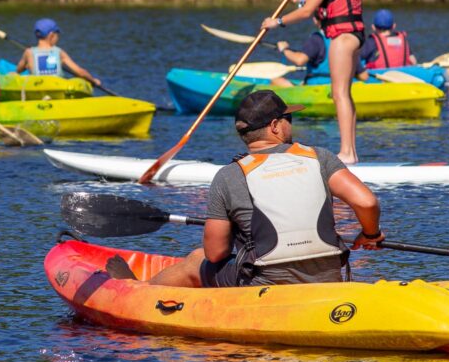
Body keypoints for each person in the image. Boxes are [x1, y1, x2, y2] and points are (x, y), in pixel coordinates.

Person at [107, 90, 384, 288]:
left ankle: (139, 292)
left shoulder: (229, 176)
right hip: (328, 274)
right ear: (275, 126)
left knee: (197, 260)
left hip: (264, 282)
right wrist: (370, 233)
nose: (291, 124)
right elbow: (366, 202)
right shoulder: (320, 157)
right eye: (289, 118)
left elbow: (215, 254)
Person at [262, 0, 364, 163]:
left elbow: (309, 12)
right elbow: (329, 6)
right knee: (346, 94)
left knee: (339, 94)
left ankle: (347, 153)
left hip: (342, 37)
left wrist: (277, 21)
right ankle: (352, 152)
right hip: (357, 35)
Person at [14, 17, 102, 88]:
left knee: (13, 74)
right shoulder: (59, 52)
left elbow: (18, 70)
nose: (58, 38)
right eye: (57, 35)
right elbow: (80, 72)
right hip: (57, 89)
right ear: (51, 35)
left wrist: (27, 65)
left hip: (38, 88)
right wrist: (93, 81)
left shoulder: (28, 53)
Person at [270, 13, 327, 88]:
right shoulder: (340, 38)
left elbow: (300, 60)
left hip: (316, 87)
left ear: (315, 20)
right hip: (337, 83)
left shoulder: (316, 39)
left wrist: (284, 49)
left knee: (275, 81)